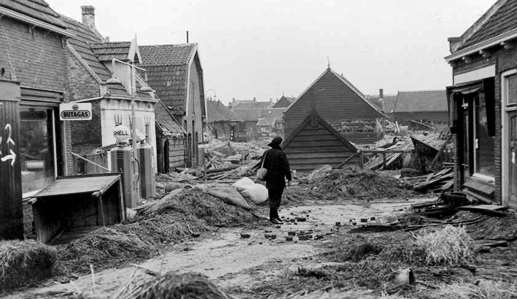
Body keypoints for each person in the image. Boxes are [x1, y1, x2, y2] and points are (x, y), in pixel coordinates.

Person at [261, 136, 292, 224]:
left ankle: (275, 216)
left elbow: (262, 165)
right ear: (279, 144)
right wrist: (289, 178)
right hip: (279, 180)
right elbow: (286, 167)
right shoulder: (281, 154)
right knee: (277, 199)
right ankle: (273, 217)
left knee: (272, 198)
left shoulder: (266, 153)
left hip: (269, 180)